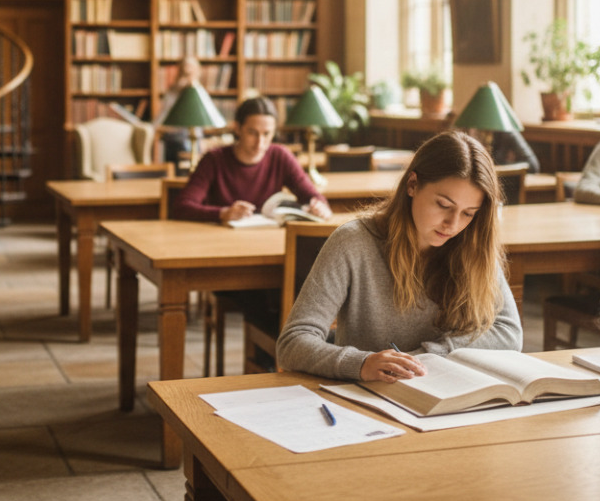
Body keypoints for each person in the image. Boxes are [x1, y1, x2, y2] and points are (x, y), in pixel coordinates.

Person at [276, 131, 523, 382]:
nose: (453, 224)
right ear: (412, 185)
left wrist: (427, 356)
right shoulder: (353, 242)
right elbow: (292, 343)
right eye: (443, 205)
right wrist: (361, 363)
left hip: (449, 391)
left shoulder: (473, 243)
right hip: (370, 398)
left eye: (468, 213)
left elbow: (509, 333)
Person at [173, 95, 331, 222]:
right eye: (252, 133)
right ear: (237, 128)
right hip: (221, 240)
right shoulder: (214, 159)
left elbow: (314, 197)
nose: (260, 142)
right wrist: (223, 213)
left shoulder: (280, 156)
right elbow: (182, 207)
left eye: (267, 134)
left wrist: (319, 206)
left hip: (267, 238)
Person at [155, 56, 202, 166]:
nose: (188, 70)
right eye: (185, 68)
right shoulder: (173, 92)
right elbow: (162, 116)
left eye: (191, 68)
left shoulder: (199, 91)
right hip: (174, 137)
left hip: (194, 137)